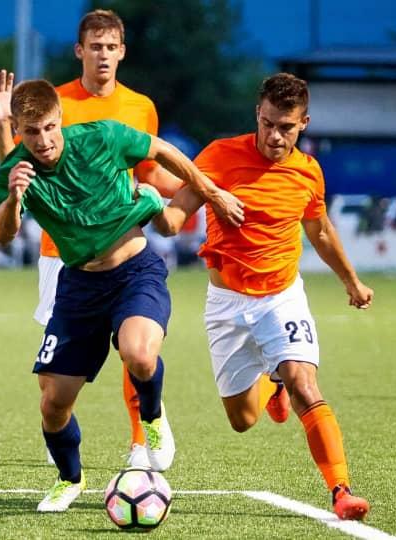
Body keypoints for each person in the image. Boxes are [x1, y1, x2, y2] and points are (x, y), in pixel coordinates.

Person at [0, 79, 243, 512]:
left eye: (51, 127)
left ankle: (153, 418)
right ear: (18, 129)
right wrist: (14, 197)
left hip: (134, 271)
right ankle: (69, 479)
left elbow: (162, 151)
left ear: (61, 119)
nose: (44, 140)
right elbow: (2, 234)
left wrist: (213, 191)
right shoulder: (16, 170)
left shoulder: (101, 135)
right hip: (78, 288)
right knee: (53, 404)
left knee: (140, 356)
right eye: (32, 132)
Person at [153, 73, 374, 520]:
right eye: (269, 123)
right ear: (258, 113)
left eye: (286, 127)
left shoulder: (308, 172)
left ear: (304, 124)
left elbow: (321, 231)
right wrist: (146, 207)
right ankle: (272, 380)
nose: (275, 135)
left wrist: (351, 281)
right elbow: (173, 218)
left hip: (281, 298)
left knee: (305, 385)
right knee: (243, 420)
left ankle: (341, 490)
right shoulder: (218, 156)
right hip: (227, 305)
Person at [0, 9, 196, 469]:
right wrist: (2, 124)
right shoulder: (51, 101)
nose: (102, 54)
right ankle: (65, 443)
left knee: (135, 348)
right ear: (79, 50)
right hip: (60, 253)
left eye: (110, 46)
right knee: (54, 382)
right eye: (94, 46)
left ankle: (142, 438)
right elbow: (14, 169)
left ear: (122, 51)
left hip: (122, 241)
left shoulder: (140, 107)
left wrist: (190, 189)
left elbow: (148, 165)